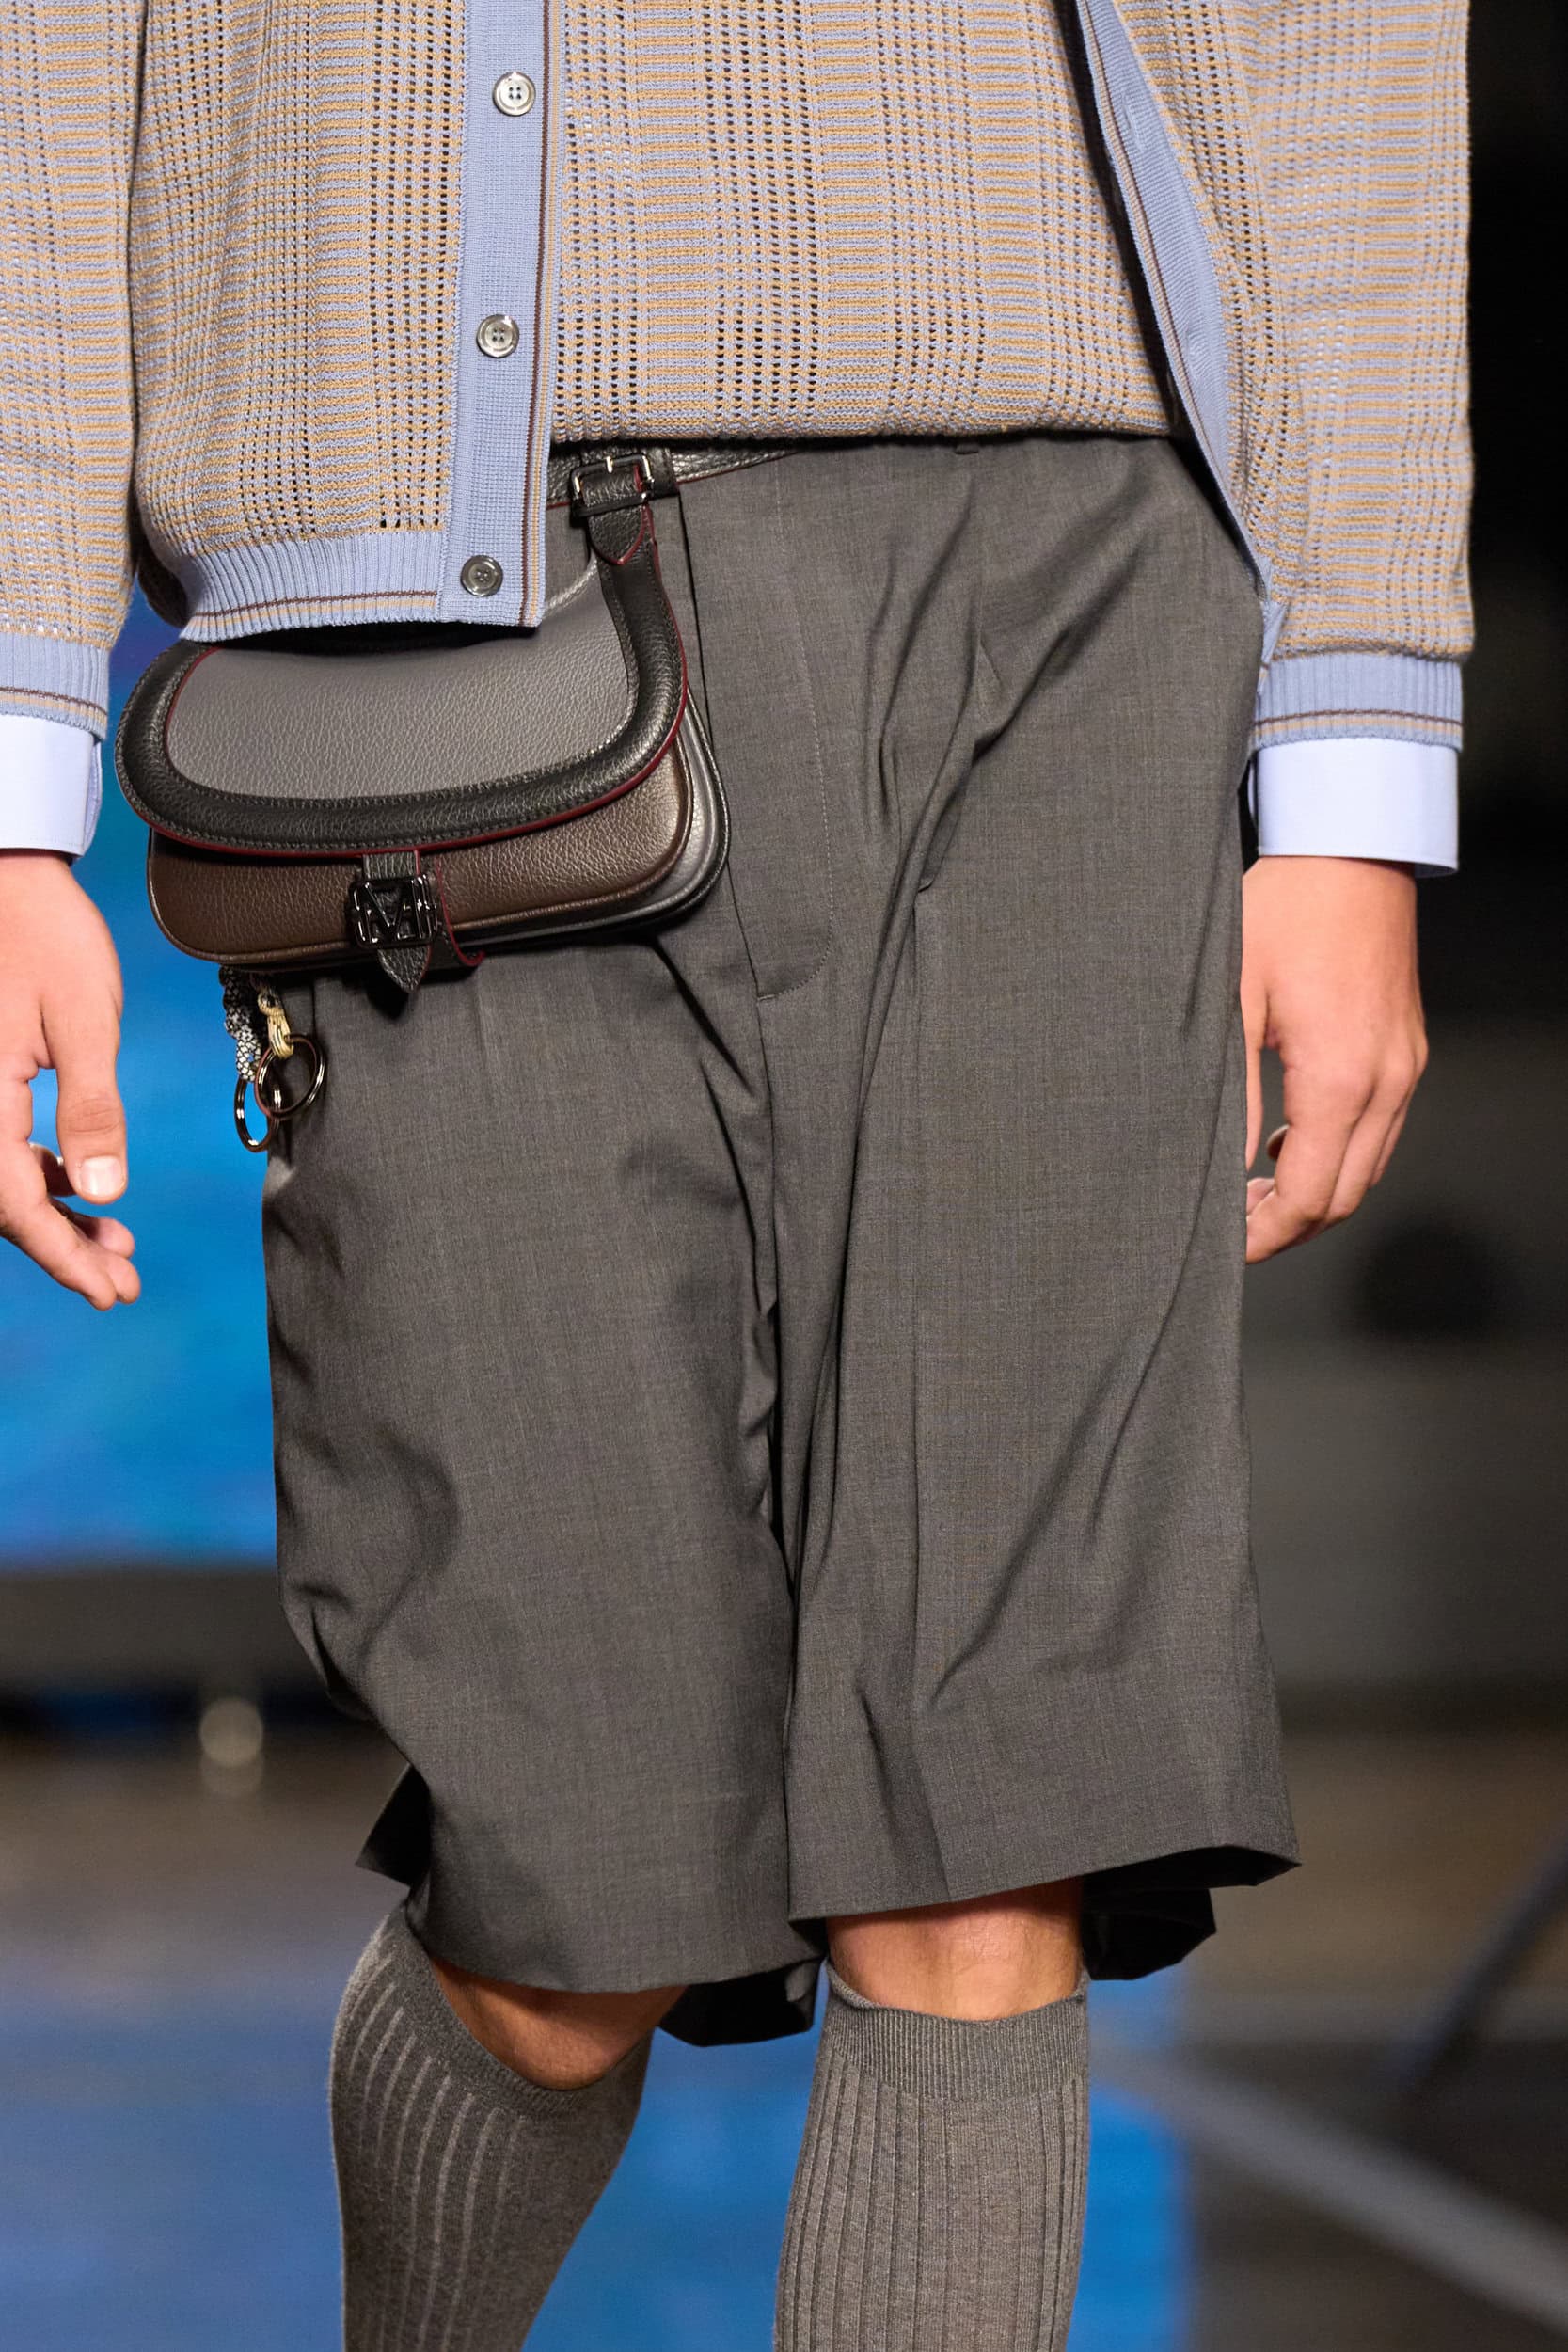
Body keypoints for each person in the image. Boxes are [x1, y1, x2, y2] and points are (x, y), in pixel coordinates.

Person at [0, 3, 1466, 2345]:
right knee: (572, 1888)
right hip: (419, 617)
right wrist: (11, 769)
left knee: (992, 1814)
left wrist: (1359, 737)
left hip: (1073, 564)